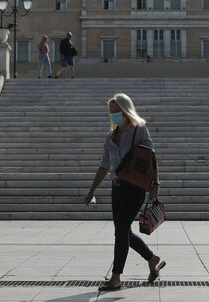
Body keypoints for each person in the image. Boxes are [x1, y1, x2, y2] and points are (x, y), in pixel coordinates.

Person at [85, 93, 166, 291]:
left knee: (121, 230)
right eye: (111, 112)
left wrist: (156, 185)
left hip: (135, 188)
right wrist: (91, 191)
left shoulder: (139, 131)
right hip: (118, 189)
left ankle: (116, 278)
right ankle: (151, 258)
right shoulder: (110, 137)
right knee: (124, 231)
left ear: (126, 110)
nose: (113, 115)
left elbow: (151, 158)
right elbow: (104, 166)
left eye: (117, 111)